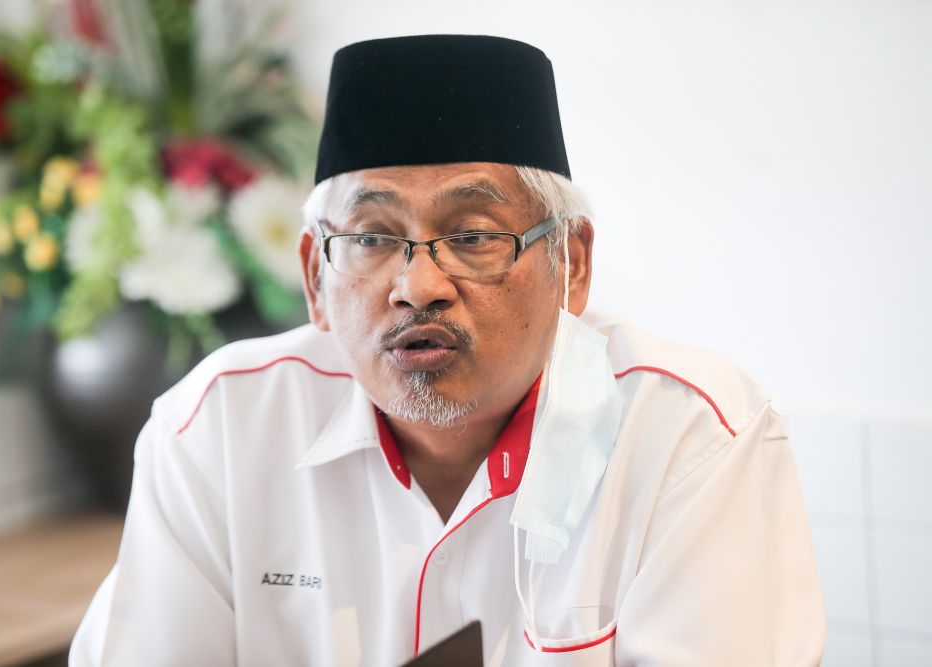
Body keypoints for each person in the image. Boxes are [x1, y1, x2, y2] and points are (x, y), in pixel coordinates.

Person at [70, 35, 826, 666]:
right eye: (371, 238)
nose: (419, 284)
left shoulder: (688, 437)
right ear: (313, 275)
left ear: (574, 264)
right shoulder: (219, 429)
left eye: (472, 236)